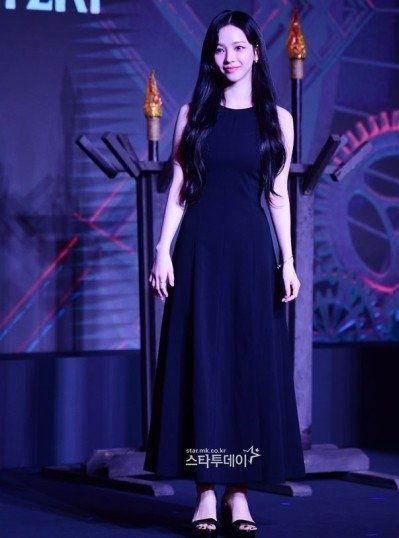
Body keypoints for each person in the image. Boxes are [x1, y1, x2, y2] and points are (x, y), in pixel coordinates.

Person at [144, 9, 306, 537]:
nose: (228, 57)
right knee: (203, 365)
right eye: (219, 48)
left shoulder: (278, 120)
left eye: (238, 47)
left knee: (245, 369)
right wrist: (162, 250)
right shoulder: (192, 114)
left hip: (252, 256)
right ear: (210, 56)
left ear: (256, 52)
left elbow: (278, 196)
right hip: (199, 252)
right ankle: (205, 492)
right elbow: (179, 187)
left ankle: (239, 493)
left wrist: (288, 261)